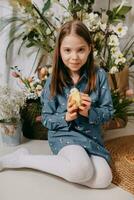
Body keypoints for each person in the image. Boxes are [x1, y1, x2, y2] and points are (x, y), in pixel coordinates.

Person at [0, 20, 114, 189]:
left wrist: (89, 112)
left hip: (91, 137)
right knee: (81, 170)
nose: (74, 57)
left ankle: (63, 163)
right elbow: (46, 119)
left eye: (80, 50)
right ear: (59, 50)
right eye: (67, 50)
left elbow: (108, 112)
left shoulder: (99, 75)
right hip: (65, 136)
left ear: (89, 48)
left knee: (104, 179)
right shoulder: (52, 80)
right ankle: (23, 159)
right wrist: (66, 116)